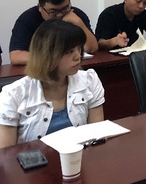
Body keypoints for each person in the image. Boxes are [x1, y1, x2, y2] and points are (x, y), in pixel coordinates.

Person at [0, 20, 105, 148]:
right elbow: (6, 153)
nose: (78, 56)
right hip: (35, 160)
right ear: (46, 54)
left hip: (79, 158)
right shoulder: (13, 95)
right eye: (69, 51)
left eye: (79, 48)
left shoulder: (89, 80)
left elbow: (97, 137)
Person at [9, 0, 98, 65]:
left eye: (65, 9)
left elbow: (92, 48)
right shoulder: (27, 19)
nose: (59, 15)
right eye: (53, 11)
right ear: (40, 7)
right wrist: (57, 58)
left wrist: (79, 23)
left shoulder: (77, 15)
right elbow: (16, 56)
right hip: (42, 68)